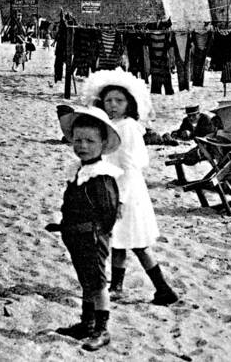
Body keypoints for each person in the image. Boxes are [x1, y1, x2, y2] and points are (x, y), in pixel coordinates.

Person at [83, 68, 179, 306]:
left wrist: (121, 199)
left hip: (127, 192)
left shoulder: (127, 127)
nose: (113, 105)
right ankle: (117, 286)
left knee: (137, 243)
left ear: (129, 103)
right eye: (109, 100)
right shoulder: (111, 124)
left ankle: (163, 288)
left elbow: (130, 166)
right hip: (115, 189)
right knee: (119, 240)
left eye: (119, 100)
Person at [49, 106, 123, 351]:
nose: (82, 145)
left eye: (90, 141)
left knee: (98, 283)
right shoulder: (80, 170)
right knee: (86, 280)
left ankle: (102, 329)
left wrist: (98, 231)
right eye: (78, 140)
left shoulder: (102, 175)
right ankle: (87, 322)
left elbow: (110, 210)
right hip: (75, 234)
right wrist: (64, 224)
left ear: (102, 144)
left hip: (92, 235)